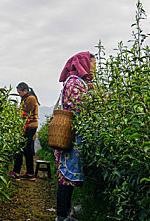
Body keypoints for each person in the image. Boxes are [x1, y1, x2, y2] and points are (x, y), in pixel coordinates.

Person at [54, 52, 96, 221]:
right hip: (70, 137)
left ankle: (65, 212)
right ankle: (61, 216)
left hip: (74, 137)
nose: (94, 68)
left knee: (68, 178)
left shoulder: (80, 82)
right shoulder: (73, 83)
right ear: (84, 64)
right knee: (65, 177)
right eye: (93, 64)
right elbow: (82, 105)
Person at [9, 82, 39, 180]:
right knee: (27, 150)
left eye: (20, 92)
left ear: (25, 91)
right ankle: (30, 173)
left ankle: (16, 172)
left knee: (21, 149)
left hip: (29, 127)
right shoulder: (28, 98)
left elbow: (26, 114)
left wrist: (16, 112)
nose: (19, 95)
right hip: (30, 126)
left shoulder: (30, 99)